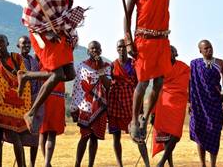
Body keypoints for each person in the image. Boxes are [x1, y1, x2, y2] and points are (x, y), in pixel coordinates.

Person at [19, 0, 87, 133]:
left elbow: (61, 11)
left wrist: (61, 25)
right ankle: (31, 113)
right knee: (57, 74)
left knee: (69, 74)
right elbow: (32, 10)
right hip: (44, 32)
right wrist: (48, 29)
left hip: (59, 31)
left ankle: (27, 76)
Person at [123, 0, 172, 142]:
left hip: (162, 41)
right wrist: (128, 41)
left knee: (159, 83)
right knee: (143, 83)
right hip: (143, 41)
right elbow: (127, 16)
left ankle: (145, 116)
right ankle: (134, 120)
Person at [0, 34, 32, 167]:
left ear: (7, 43)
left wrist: (15, 92)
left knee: (15, 134)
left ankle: (21, 165)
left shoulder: (16, 58)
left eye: (2, 42)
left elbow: (24, 77)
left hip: (15, 102)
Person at [107, 39, 150, 167]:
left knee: (138, 136)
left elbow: (140, 85)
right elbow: (108, 83)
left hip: (132, 103)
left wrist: (141, 106)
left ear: (128, 48)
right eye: (119, 47)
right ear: (116, 49)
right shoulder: (112, 65)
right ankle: (120, 164)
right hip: (115, 103)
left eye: (124, 46)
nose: (122, 49)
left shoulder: (134, 63)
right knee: (116, 137)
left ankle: (147, 164)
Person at [2, 36, 42, 167]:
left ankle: (32, 164)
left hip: (35, 100)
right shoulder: (15, 60)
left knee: (34, 135)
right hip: (20, 101)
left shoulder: (34, 61)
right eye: (23, 43)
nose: (26, 45)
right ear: (17, 46)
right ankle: (22, 164)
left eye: (28, 43)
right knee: (18, 134)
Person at [70, 41, 111, 167]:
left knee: (94, 138)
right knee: (84, 136)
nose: (95, 51)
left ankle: (90, 165)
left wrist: (100, 70)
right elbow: (77, 87)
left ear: (101, 51)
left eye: (97, 49)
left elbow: (108, 85)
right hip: (85, 106)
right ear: (88, 51)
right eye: (92, 49)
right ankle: (77, 164)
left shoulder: (106, 66)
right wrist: (74, 107)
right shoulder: (82, 66)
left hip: (99, 106)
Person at [189, 40, 223, 167]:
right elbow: (190, 84)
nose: (209, 50)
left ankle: (213, 164)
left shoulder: (220, 63)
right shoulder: (194, 64)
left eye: (210, 47)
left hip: (215, 103)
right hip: (199, 104)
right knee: (200, 131)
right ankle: (202, 164)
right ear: (200, 51)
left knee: (214, 132)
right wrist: (189, 102)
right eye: (205, 48)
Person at [152, 46, 190, 167]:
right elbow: (155, 89)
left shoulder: (184, 68)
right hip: (164, 103)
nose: (169, 54)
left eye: (171, 52)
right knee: (166, 136)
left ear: (175, 53)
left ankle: (161, 162)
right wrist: (153, 111)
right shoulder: (160, 69)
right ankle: (169, 164)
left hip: (179, 104)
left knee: (175, 134)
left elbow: (190, 85)